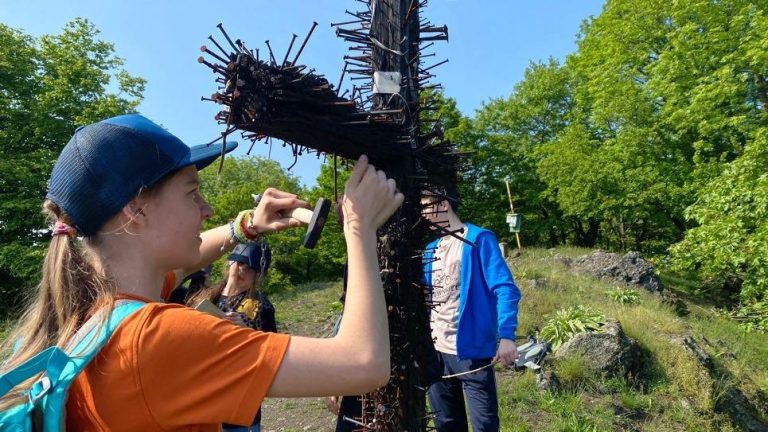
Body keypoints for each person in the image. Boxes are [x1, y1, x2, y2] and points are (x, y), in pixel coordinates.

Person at [0, 113, 403, 431]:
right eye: (192, 192)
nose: (207, 208)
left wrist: (244, 226)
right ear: (135, 210)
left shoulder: (89, 315)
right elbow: (363, 363)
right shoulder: (157, 339)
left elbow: (185, 260)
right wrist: (359, 227)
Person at [422, 186, 522, 432]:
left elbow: (506, 288)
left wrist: (506, 336)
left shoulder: (478, 239)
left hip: (471, 351)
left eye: (426, 207)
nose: (423, 214)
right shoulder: (429, 250)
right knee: (446, 424)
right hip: (436, 352)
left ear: (443, 204)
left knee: (485, 424)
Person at [188, 242, 277, 432]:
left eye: (251, 269)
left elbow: (272, 352)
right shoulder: (204, 295)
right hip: (201, 396)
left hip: (238, 402)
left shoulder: (261, 306)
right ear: (230, 263)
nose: (243, 271)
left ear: (258, 275)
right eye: (240, 264)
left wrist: (247, 332)